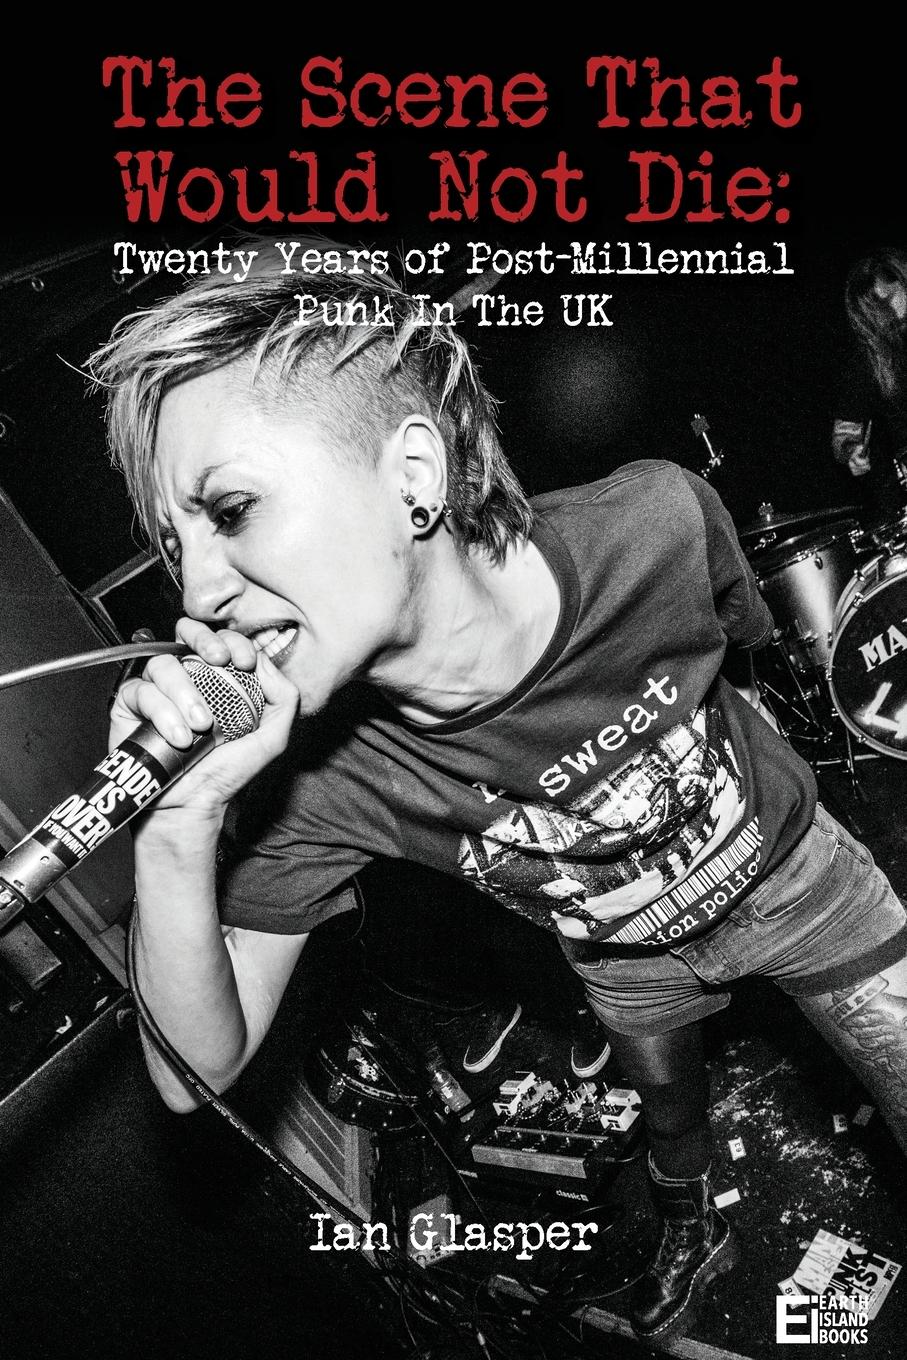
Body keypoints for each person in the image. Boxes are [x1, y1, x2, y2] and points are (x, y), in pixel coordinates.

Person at [90, 252, 907, 1344]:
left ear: (413, 473)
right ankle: (684, 1220)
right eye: (175, 545)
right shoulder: (314, 775)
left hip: (800, 880)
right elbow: (192, 1075)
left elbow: (740, 643)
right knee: (669, 1118)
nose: (197, 593)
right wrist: (178, 824)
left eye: (230, 510)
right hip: (622, 956)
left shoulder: (655, 519)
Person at [832, 247, 907, 518]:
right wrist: (851, 450)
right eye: (875, 310)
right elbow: (844, 430)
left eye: (887, 299)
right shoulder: (872, 356)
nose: (885, 315)